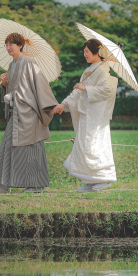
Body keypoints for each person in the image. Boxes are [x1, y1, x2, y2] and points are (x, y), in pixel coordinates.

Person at [0, 32, 58, 193]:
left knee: (32, 148)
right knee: (8, 146)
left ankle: (36, 185)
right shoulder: (12, 65)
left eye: (12, 44)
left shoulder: (29, 62)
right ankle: (2, 184)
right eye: (7, 44)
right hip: (17, 112)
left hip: (29, 113)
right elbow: (13, 88)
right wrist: (5, 84)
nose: (8, 47)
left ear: (20, 45)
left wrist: (47, 105)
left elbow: (39, 85)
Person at [52, 39, 118, 192]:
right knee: (84, 146)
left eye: (87, 51)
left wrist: (86, 89)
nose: (85, 54)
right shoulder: (89, 70)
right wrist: (63, 104)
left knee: (95, 145)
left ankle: (104, 178)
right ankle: (90, 180)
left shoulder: (102, 70)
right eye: (84, 51)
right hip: (86, 115)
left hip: (96, 117)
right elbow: (77, 92)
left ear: (96, 52)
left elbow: (107, 90)